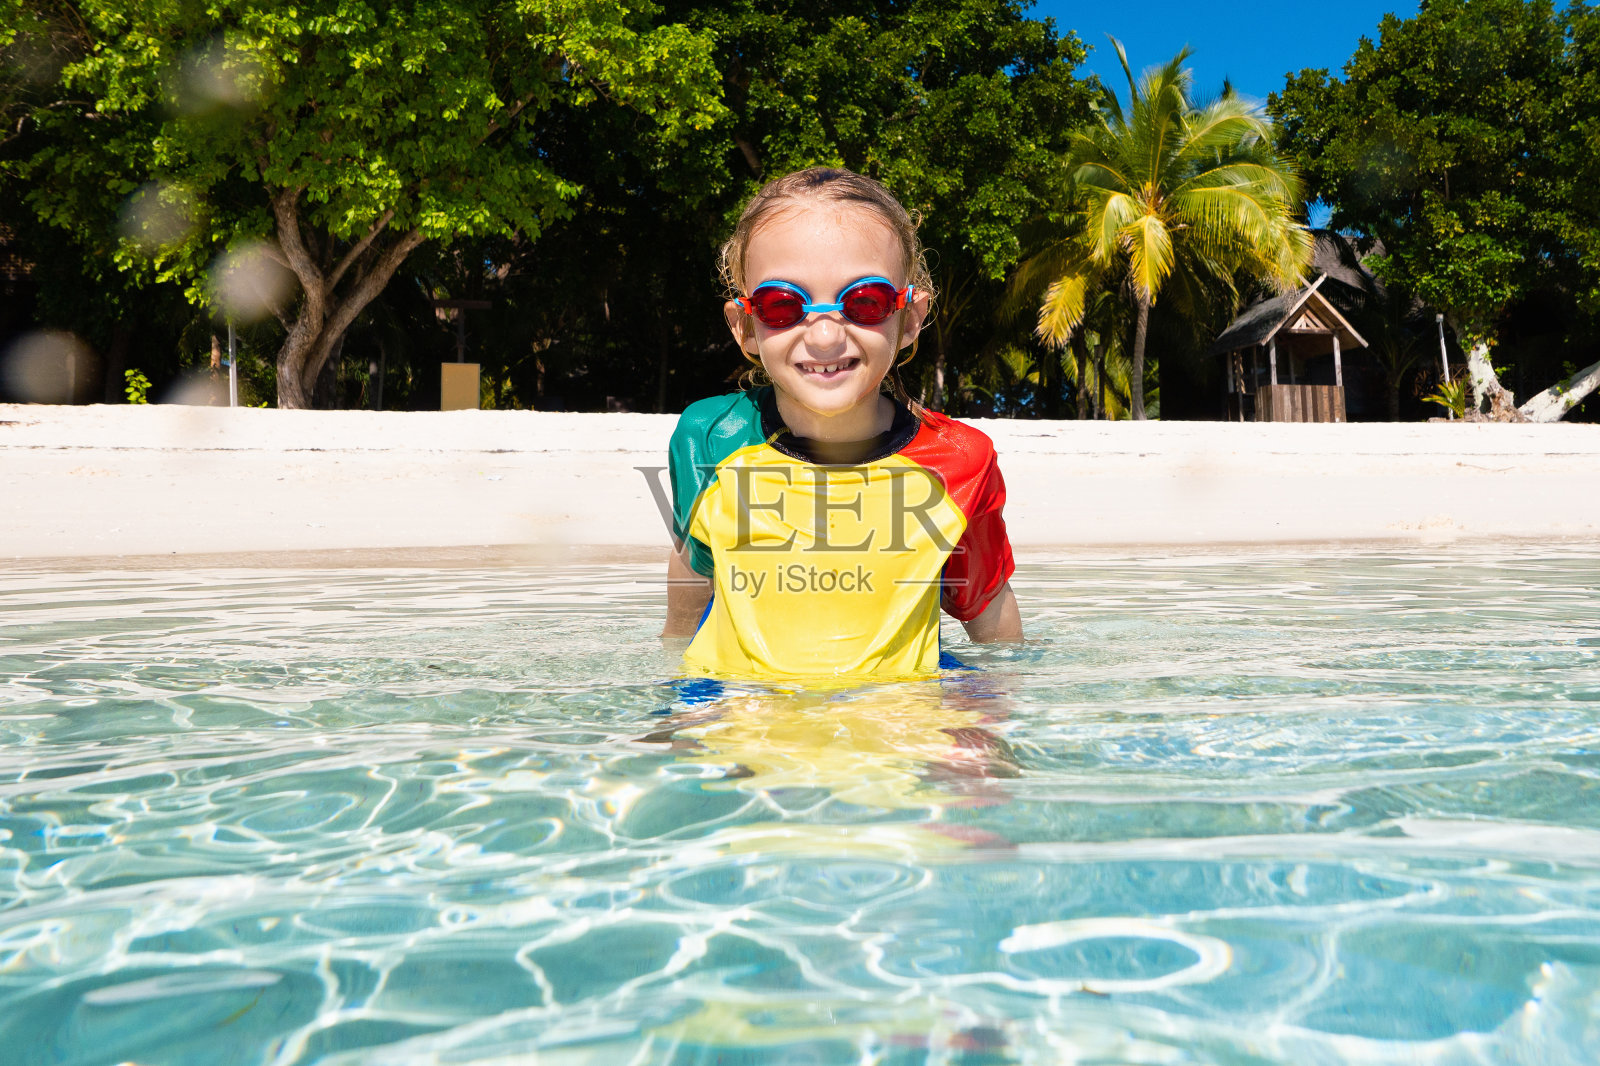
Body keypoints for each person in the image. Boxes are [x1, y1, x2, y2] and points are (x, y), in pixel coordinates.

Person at [663, 167, 1022, 678]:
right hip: (739, 712)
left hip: (898, 717)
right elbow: (695, 570)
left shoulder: (960, 461)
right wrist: (675, 672)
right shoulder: (708, 437)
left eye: (865, 302)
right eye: (782, 305)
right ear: (744, 326)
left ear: (910, 318)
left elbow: (992, 622)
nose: (827, 337)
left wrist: (999, 726)